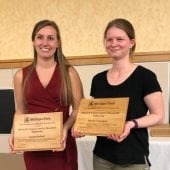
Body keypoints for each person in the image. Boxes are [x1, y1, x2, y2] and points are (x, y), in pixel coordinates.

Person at [73, 18, 165, 170]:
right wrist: (82, 125)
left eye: (120, 39)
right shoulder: (98, 79)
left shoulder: (145, 76)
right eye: (109, 39)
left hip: (133, 158)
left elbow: (159, 116)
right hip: (101, 157)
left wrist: (130, 124)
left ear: (131, 42)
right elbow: (96, 115)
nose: (113, 43)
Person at [9, 19, 84, 170]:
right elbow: (21, 110)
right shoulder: (20, 76)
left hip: (61, 145)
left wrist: (65, 127)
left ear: (58, 43)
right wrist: (14, 131)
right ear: (33, 41)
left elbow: (79, 109)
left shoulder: (69, 73)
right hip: (33, 147)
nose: (45, 43)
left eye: (51, 38)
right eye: (40, 37)